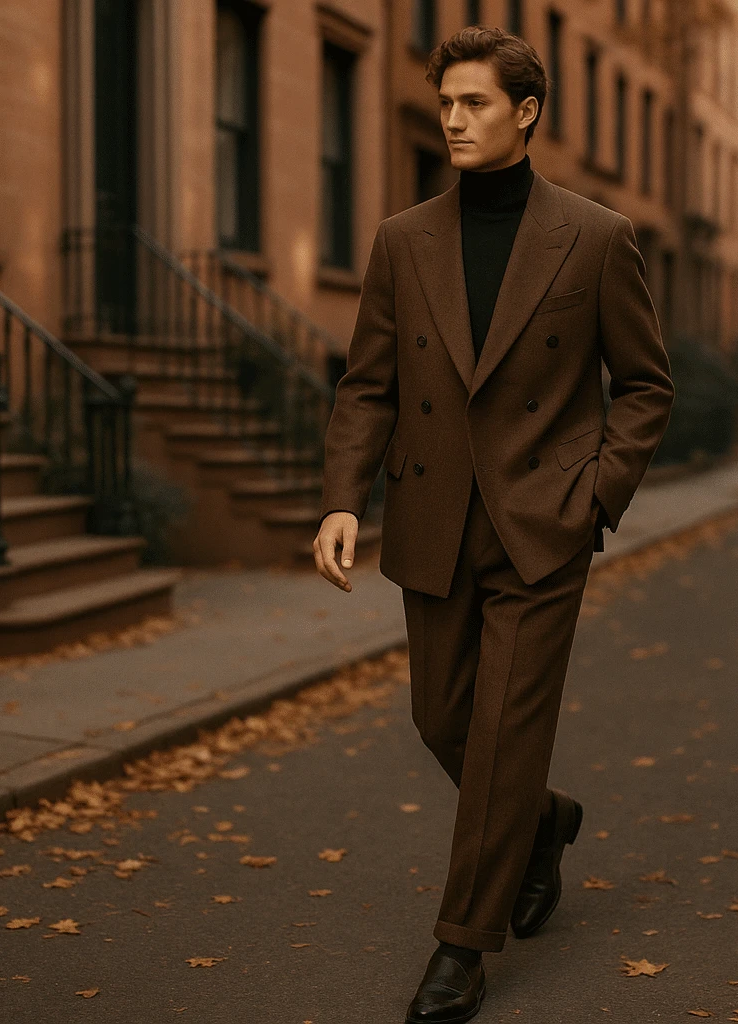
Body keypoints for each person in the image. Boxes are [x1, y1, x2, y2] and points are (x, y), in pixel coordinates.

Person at [312, 25, 674, 1024]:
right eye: (446, 104)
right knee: (442, 721)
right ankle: (542, 821)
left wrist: (593, 493)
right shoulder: (401, 240)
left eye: (474, 103)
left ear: (526, 111)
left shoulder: (597, 238)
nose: (454, 120)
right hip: (433, 519)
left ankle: (461, 949)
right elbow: (367, 387)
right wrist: (343, 497)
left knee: (507, 730)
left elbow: (644, 387)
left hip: (539, 527)